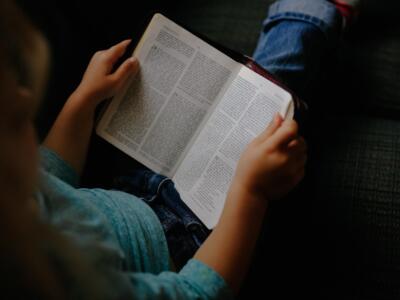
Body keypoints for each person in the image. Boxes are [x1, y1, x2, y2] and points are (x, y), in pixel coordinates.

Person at [0, 0, 358, 298]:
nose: (30, 105)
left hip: (130, 189)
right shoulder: (68, 285)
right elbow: (196, 292)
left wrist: (83, 100)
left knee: (234, 93)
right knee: (273, 97)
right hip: (191, 242)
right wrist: (252, 191)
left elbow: (52, 172)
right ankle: (314, 11)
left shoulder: (15, 193)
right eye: (20, 119)